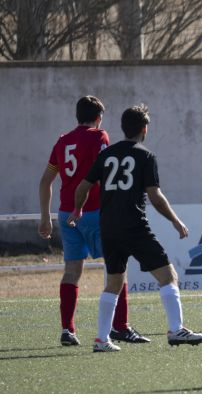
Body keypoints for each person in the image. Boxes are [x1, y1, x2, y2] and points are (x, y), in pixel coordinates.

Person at [68, 104, 202, 352]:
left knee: (113, 282)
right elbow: (155, 196)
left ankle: (101, 339)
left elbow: (82, 188)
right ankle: (176, 330)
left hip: (108, 227)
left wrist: (78, 210)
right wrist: (176, 220)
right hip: (134, 226)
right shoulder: (145, 156)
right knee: (168, 276)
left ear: (123, 128)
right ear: (145, 129)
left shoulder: (106, 154)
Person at [38, 96, 149, 346]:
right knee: (116, 268)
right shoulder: (99, 137)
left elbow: (46, 180)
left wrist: (45, 216)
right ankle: (120, 327)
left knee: (72, 271)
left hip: (67, 214)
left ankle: (67, 329)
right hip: (96, 213)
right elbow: (104, 174)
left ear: (78, 116)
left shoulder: (62, 141)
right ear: (98, 118)